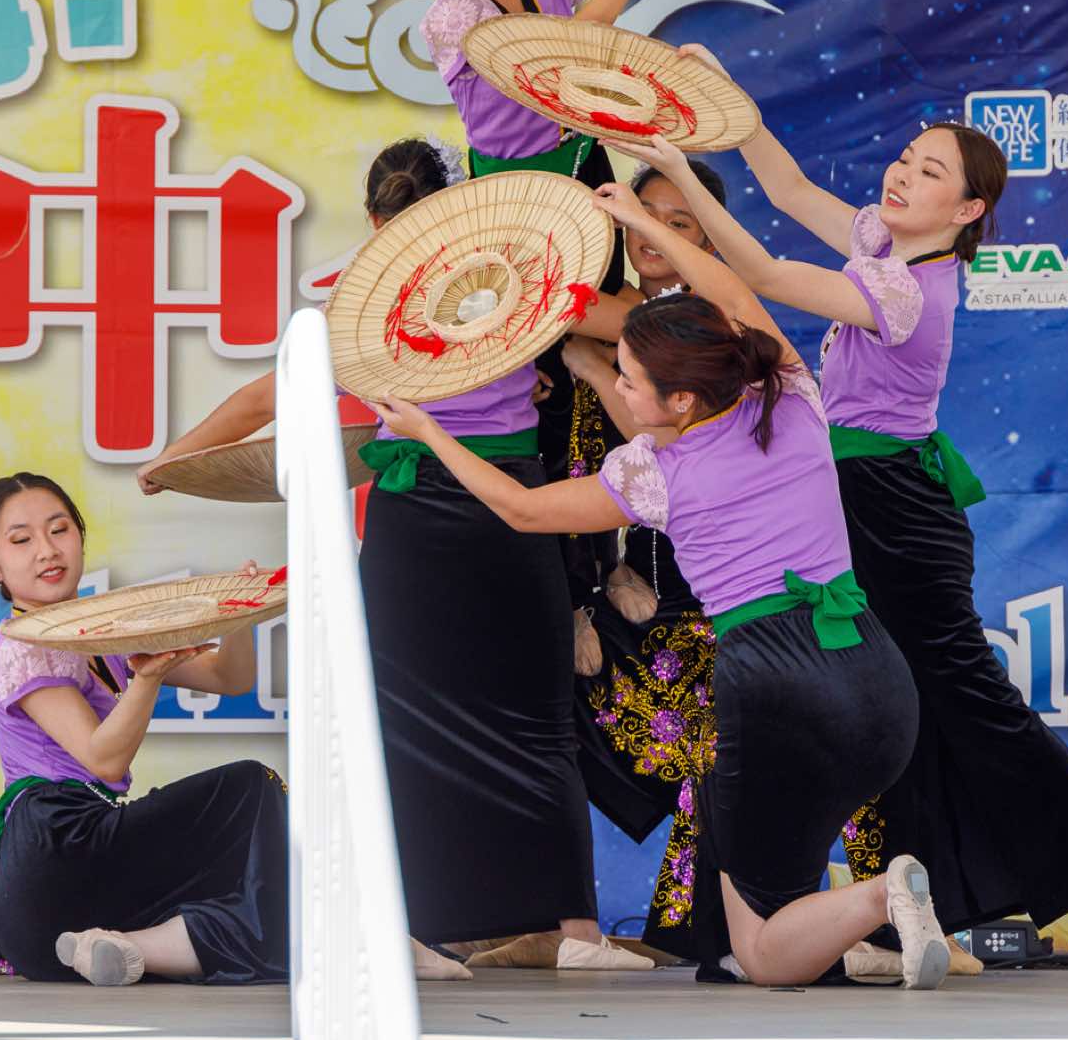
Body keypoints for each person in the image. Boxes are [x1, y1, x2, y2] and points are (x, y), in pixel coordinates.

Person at [369, 181, 948, 989]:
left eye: (630, 380)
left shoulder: (654, 471)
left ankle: (883, 893)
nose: (619, 388)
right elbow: (733, 292)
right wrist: (645, 222)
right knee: (778, 885)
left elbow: (523, 509)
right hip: (878, 680)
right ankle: (874, 907)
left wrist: (431, 431)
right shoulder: (789, 392)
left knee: (760, 951)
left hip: (774, 686)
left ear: (679, 398)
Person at [622, 117, 1068, 979]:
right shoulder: (884, 247)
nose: (903, 174)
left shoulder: (907, 292)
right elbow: (791, 190)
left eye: (931, 171)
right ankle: (892, 921)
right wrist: (741, 122)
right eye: (906, 158)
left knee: (973, 702)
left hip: (898, 509)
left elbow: (764, 275)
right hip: (854, 499)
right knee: (895, 716)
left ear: (968, 208)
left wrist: (679, 181)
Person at [138, 138, 644, 978]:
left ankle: (435, 931)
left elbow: (265, 394)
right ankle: (563, 929)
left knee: (434, 727)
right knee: (526, 720)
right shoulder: (496, 271)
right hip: (484, 499)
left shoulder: (413, 288)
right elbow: (620, 320)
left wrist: (174, 457)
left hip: (464, 509)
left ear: (376, 221)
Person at [412, 0, 799, 634]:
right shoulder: (454, 15)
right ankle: (575, 592)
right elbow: (553, 65)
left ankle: (619, 552)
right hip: (518, 209)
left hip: (584, 179)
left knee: (617, 373)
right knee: (561, 378)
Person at [0, 471, 287, 986]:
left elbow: (229, 678)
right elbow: (104, 760)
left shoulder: (100, 632)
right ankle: (326, 937)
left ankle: (125, 949)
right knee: (250, 788)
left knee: (235, 862)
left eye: (59, 530)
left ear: (80, 537)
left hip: (70, 892)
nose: (46, 550)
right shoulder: (25, 648)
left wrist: (237, 616)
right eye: (21, 540)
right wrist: (147, 679)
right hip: (55, 854)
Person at [556, 158, 729, 959]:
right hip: (630, 589)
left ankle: (690, 927)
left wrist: (596, 367)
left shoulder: (716, 329)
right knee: (534, 703)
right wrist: (583, 591)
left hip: (719, 590)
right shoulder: (615, 316)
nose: (655, 232)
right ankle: (551, 919)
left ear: (708, 239)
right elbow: (579, 473)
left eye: (679, 221)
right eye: (644, 214)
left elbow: (674, 453)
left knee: (716, 742)